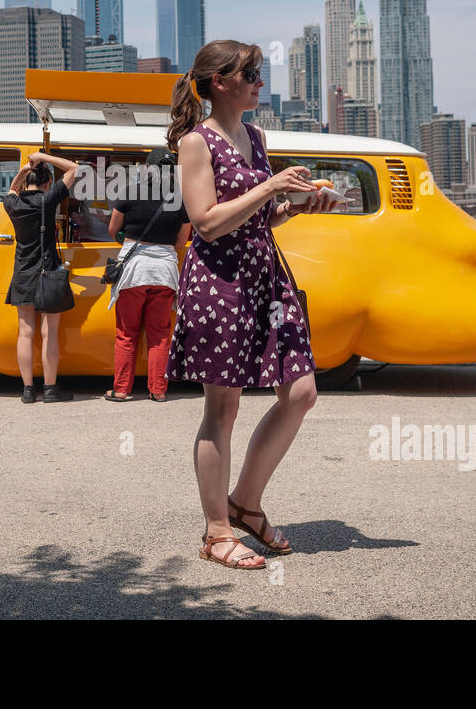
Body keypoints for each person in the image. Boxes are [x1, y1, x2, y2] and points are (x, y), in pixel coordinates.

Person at [165, 39, 332, 571]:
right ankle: (218, 531)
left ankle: (245, 503)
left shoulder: (255, 136)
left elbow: (259, 218)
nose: (261, 82)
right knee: (224, 407)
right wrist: (270, 191)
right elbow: (207, 222)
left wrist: (297, 205)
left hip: (264, 276)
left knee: (300, 392)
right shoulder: (198, 142)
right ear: (220, 82)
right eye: (251, 74)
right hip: (220, 282)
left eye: (260, 73)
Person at [104, 148, 192, 402]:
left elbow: (113, 230)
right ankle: (158, 390)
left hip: (132, 272)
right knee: (160, 334)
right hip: (164, 272)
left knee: (127, 333)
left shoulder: (130, 192)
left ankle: (121, 390)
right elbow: (180, 242)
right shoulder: (180, 199)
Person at [2, 150, 80, 403]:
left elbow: (13, 189)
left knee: (25, 332)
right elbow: (73, 169)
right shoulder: (48, 200)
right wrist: (43, 157)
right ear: (47, 184)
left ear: (26, 182)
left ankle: (27, 390)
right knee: (50, 333)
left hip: (23, 272)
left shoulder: (13, 204)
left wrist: (26, 167)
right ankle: (50, 389)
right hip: (47, 272)